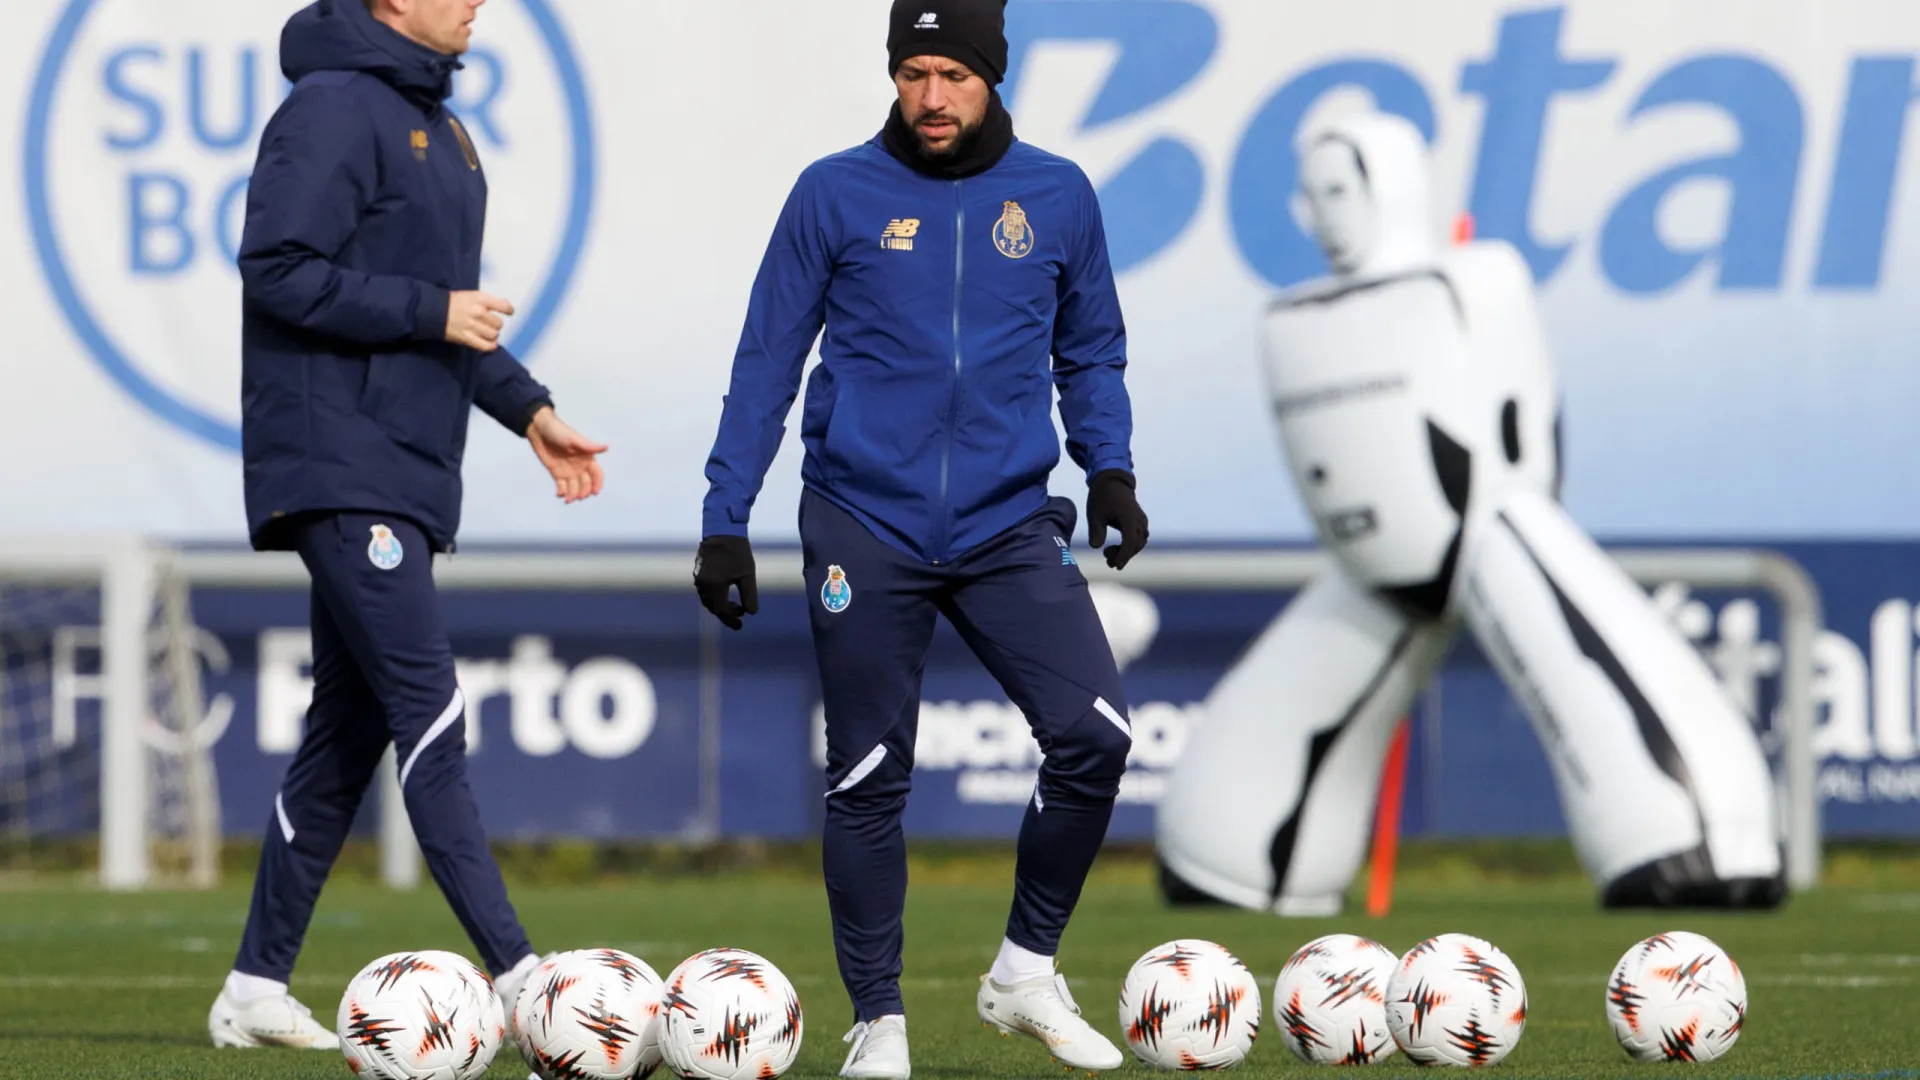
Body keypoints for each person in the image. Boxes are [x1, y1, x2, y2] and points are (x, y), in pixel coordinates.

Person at [1154, 110, 1785, 916]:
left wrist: (1509, 502)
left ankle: (1690, 835)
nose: (1327, 214)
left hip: (1488, 524)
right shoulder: (1294, 319)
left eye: (1342, 189)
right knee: (1230, 823)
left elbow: (1523, 418)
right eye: (1314, 196)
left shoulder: (1473, 281)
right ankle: (1233, 862)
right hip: (1371, 564)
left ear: (1391, 187)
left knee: (1599, 678)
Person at [694, 2, 1149, 1075]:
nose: (932, 96)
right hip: (866, 521)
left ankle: (1024, 972)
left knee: (1095, 739)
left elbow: (1093, 353)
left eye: (952, 73)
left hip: (1006, 524)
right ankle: (878, 1022)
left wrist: (1111, 468)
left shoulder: (1058, 195)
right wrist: (726, 519)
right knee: (866, 776)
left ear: (992, 74)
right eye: (913, 72)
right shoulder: (833, 193)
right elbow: (766, 362)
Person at [209, 0, 607, 1050]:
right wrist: (431, 313)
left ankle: (253, 988)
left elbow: (448, 316)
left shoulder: (442, 126)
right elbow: (275, 267)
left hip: (405, 468)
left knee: (346, 736)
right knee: (430, 707)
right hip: (340, 464)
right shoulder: (335, 105)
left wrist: (529, 410)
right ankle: (522, 978)